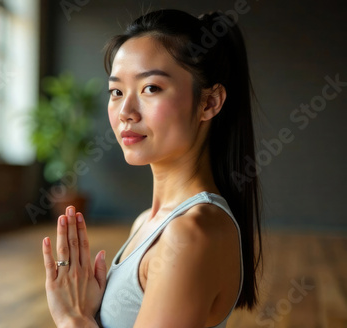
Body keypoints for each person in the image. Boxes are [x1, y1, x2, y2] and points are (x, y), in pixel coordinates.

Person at [42, 9, 263, 328]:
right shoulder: (146, 222)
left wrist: (71, 319)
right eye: (117, 92)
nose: (126, 112)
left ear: (209, 102)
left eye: (151, 88)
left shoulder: (189, 236)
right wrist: (89, 313)